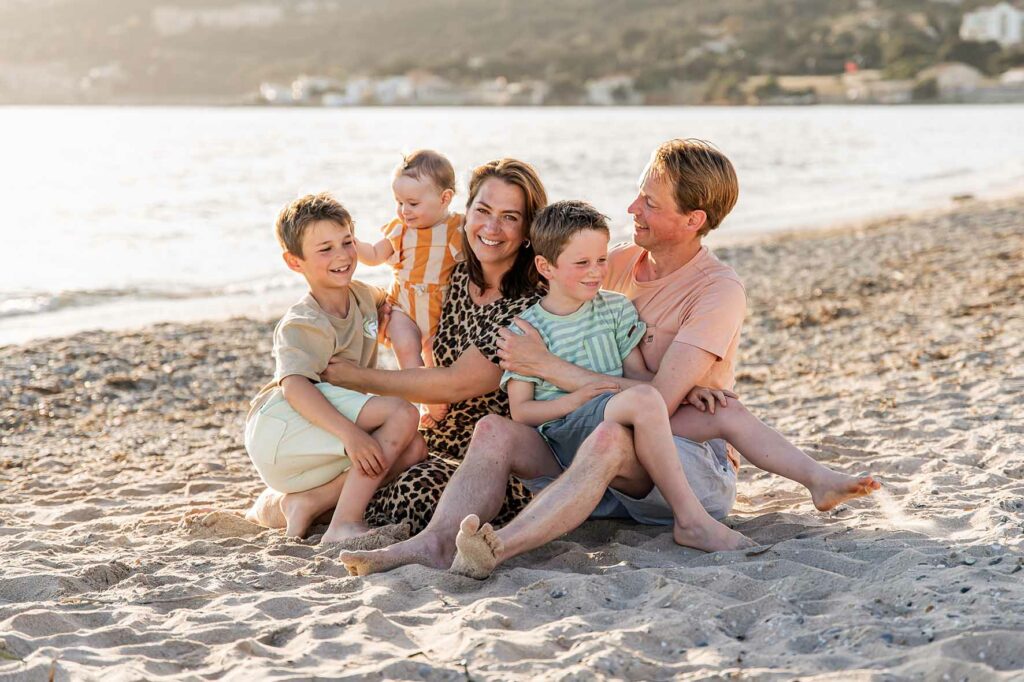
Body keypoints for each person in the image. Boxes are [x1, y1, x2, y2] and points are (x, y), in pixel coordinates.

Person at [339, 139, 879, 578]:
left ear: (693, 219)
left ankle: (498, 549)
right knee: (493, 431)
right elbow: (553, 280)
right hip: (586, 453)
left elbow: (655, 402)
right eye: (637, 195)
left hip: (683, 464)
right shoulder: (610, 265)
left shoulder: (717, 291)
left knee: (620, 431)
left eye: (650, 203)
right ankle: (436, 545)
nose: (631, 210)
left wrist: (550, 368)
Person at [317, 158, 547, 533]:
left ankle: (316, 505)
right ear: (464, 212)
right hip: (435, 434)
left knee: (414, 491)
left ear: (528, 229)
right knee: (362, 455)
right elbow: (405, 291)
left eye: (510, 217)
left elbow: (457, 382)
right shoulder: (453, 277)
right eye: (483, 210)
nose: (491, 227)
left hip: (493, 453)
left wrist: (357, 377)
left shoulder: (531, 301)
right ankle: (310, 502)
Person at [243, 192, 426, 544]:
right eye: (325, 249)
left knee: (413, 449)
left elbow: (396, 302)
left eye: (347, 242)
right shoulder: (304, 320)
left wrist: (399, 326)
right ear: (295, 262)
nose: (342, 256)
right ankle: (344, 522)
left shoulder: (363, 297)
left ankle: (307, 502)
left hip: (307, 442)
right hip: (281, 423)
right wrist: (350, 435)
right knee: (403, 415)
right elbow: (294, 386)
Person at [353, 150, 464, 426]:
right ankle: (424, 400)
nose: (404, 210)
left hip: (440, 310)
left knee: (434, 358)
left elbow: (476, 264)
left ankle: (432, 402)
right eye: (399, 202)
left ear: (445, 198)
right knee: (406, 347)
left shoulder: (456, 228)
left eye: (412, 203)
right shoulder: (399, 230)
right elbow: (373, 255)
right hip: (404, 305)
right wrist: (350, 241)